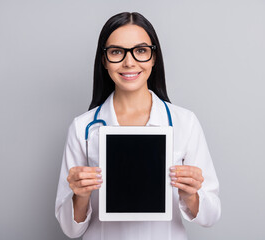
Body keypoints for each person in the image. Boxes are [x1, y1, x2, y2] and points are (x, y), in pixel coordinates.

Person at [55, 12, 221, 240]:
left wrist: (190, 195)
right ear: (104, 60)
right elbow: (70, 230)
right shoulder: (83, 128)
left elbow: (210, 216)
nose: (129, 62)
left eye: (140, 50)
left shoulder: (185, 122)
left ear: (154, 57)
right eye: (116, 52)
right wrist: (80, 195)